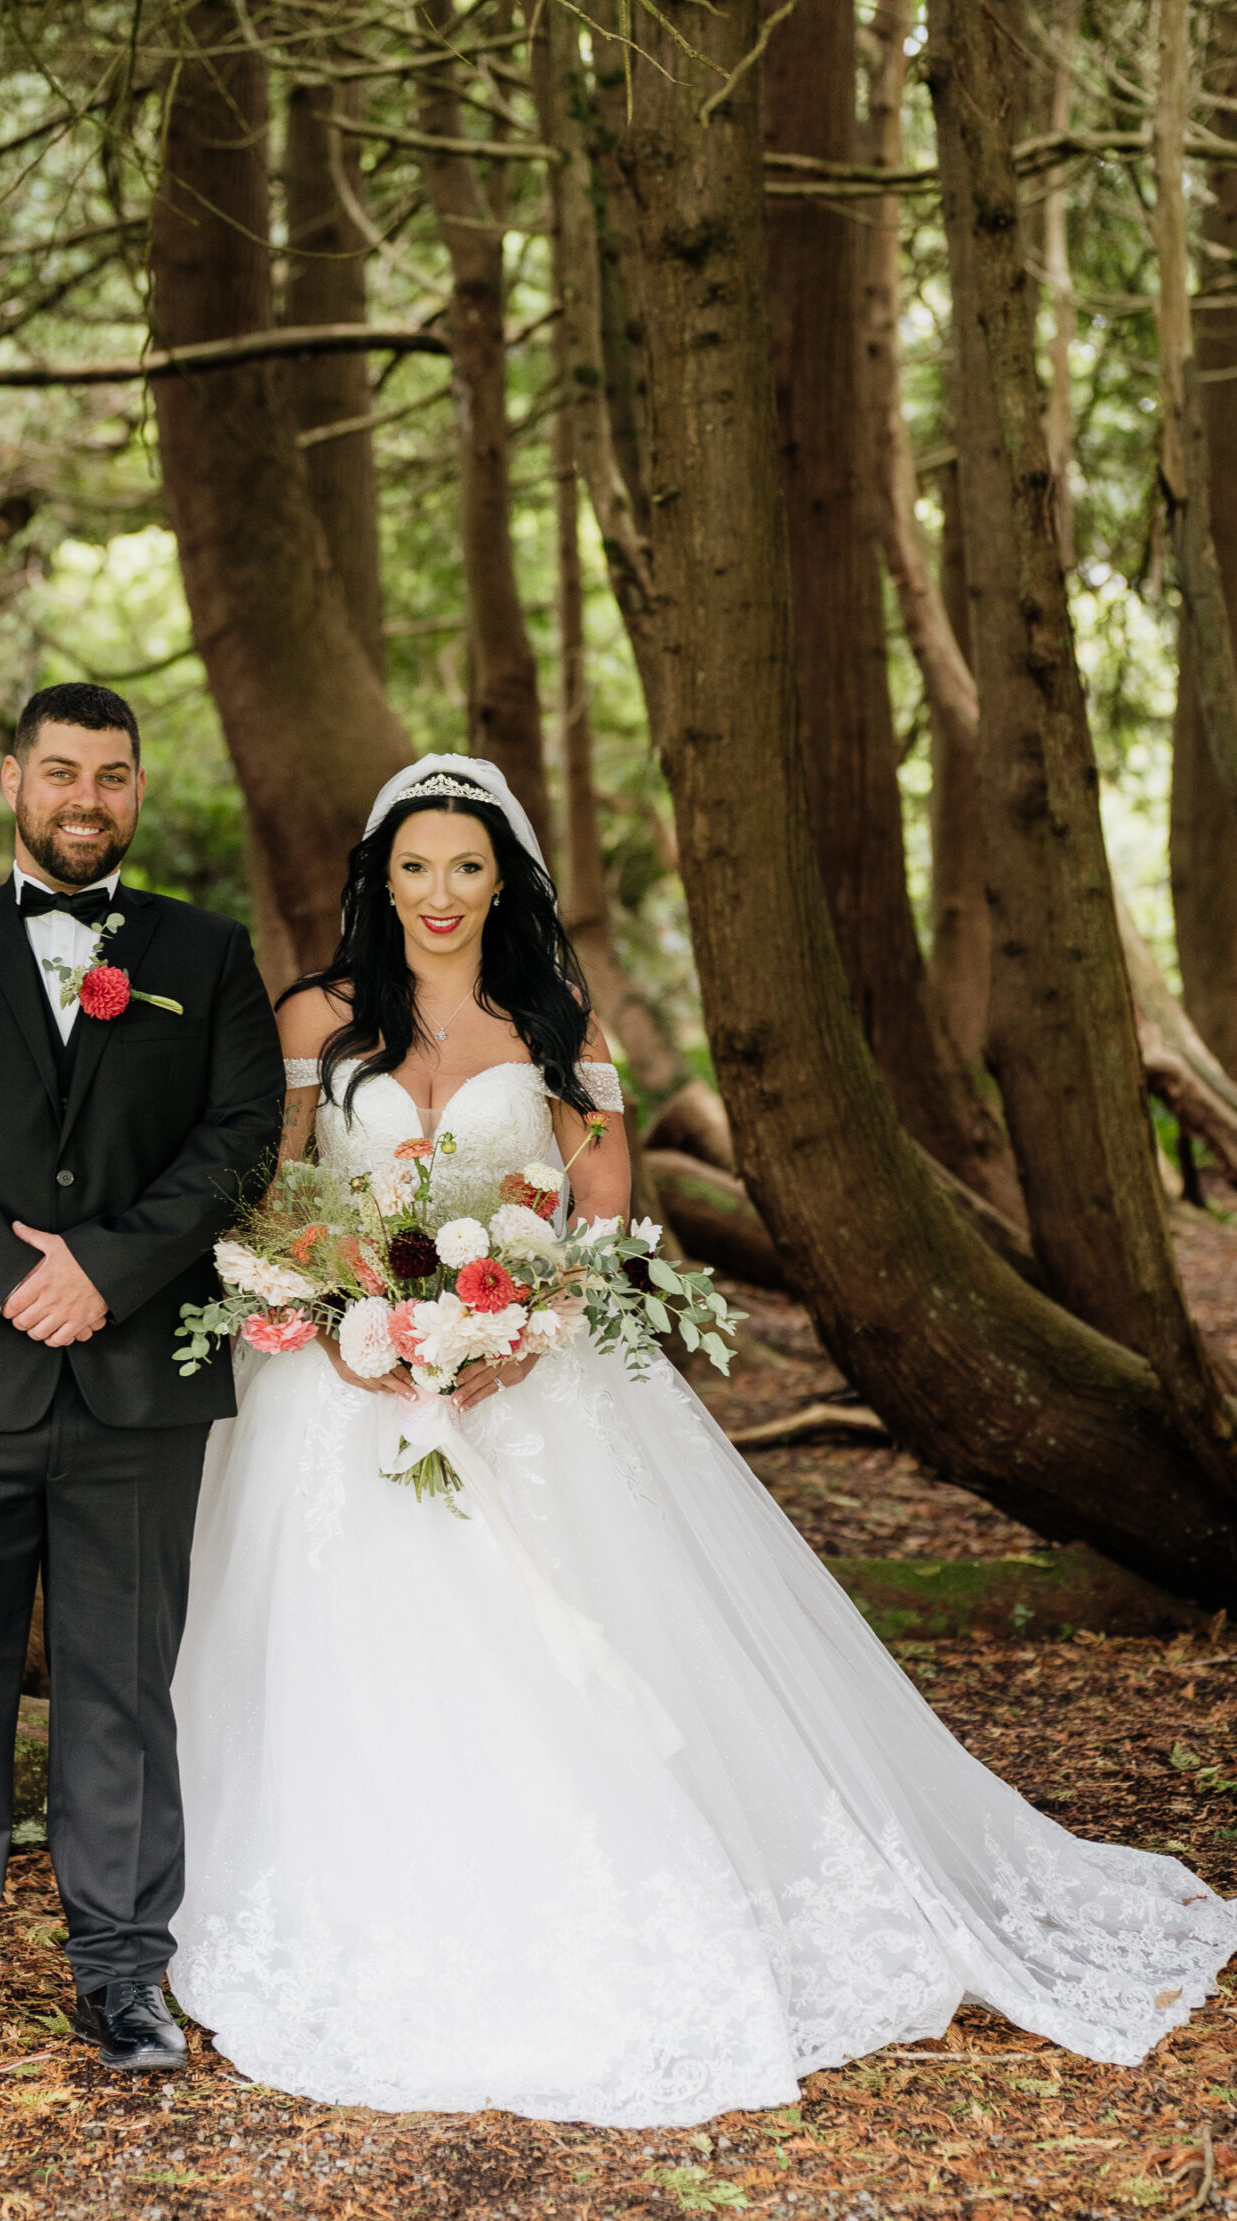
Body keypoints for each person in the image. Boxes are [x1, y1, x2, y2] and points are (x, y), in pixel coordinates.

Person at [169, 754, 1237, 2129]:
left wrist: (520, 1329)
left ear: (508, 882)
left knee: (584, 1640)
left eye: (468, 869)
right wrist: (332, 1318)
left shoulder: (558, 1020)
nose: (439, 895)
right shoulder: (318, 1015)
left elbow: (606, 1211)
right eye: (415, 868)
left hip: (522, 1379)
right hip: (343, 1391)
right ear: (379, 879)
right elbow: (276, 1190)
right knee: (347, 1641)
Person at [0, 682, 282, 2089]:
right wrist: (13, 1278)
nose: (88, 799)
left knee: (121, 1687)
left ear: (139, 793)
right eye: (63, 773)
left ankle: (123, 1976)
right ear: (11, 777)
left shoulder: (204, 956)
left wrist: (110, 1269)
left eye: (114, 777)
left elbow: (237, 1140)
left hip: (140, 1386)